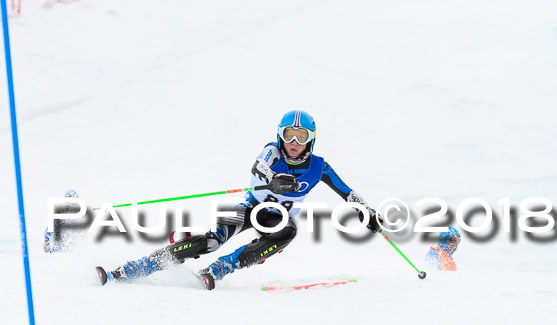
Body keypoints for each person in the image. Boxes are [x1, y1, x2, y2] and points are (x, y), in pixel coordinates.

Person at [96, 110, 380, 290]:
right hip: (249, 209)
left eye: (301, 136)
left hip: (278, 219)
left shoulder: (319, 166)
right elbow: (259, 167)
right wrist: (272, 181)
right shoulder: (272, 152)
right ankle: (139, 266)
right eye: (288, 135)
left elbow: (347, 191)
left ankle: (221, 268)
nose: (294, 142)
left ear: (311, 139)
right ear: (280, 137)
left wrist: (366, 211)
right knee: (211, 241)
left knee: (288, 231)